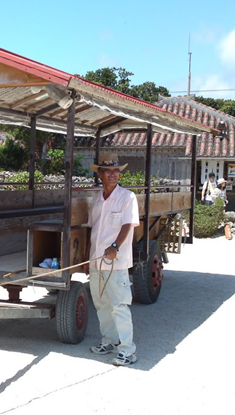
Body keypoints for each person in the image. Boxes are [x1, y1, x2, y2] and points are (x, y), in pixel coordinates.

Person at [83, 153, 140, 366]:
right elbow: (93, 230)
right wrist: (87, 259)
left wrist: (115, 246)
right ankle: (109, 341)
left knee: (119, 305)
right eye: (108, 171)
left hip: (116, 261)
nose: (114, 174)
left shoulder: (127, 197)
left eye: (116, 170)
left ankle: (128, 351)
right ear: (99, 174)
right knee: (101, 303)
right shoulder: (97, 199)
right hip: (97, 260)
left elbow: (128, 224)